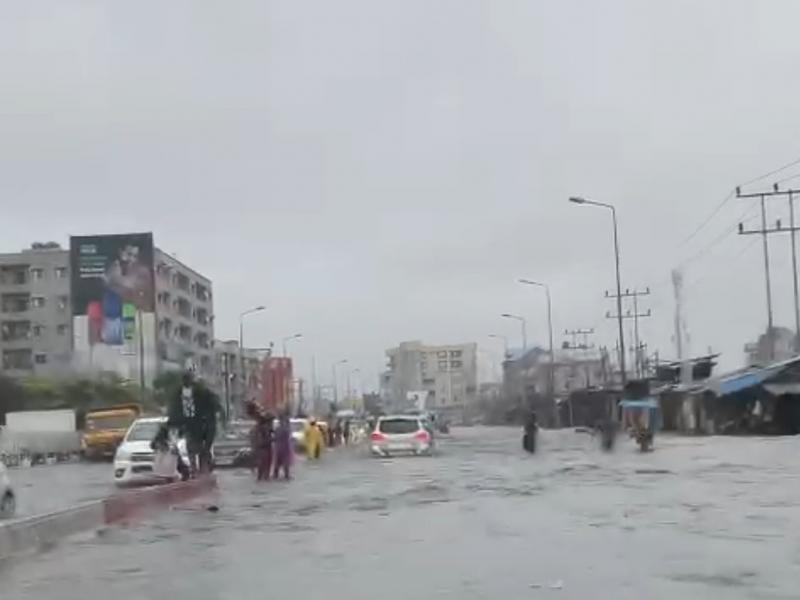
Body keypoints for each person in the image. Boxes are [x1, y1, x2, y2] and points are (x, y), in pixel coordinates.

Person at [250, 413, 274, 481]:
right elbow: (263, 440)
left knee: (264, 462)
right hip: (264, 447)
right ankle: (263, 476)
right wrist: (272, 439)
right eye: (271, 421)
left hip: (263, 447)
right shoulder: (264, 428)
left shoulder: (262, 428)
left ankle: (262, 476)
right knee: (264, 462)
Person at [273, 414, 293, 480]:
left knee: (277, 462)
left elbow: (275, 438)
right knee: (285, 462)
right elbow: (288, 438)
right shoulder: (285, 429)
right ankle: (286, 476)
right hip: (284, 447)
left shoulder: (277, 429)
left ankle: (275, 475)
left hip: (278, 447)